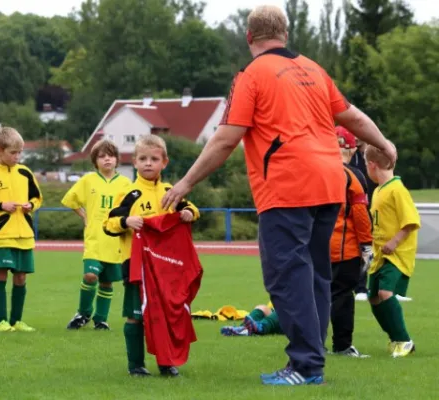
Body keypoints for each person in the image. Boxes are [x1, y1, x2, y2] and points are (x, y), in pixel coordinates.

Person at [161, 5, 396, 386]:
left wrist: (186, 182)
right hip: (329, 183)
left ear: (249, 37)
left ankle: (305, 365)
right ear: (285, 34)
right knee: (317, 273)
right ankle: (312, 362)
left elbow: (225, 138)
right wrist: (384, 142)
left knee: (287, 275)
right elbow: (351, 116)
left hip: (287, 186)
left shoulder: (251, 75)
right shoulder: (314, 69)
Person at [103, 134, 199, 377]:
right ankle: (136, 365)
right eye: (143, 158)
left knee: (165, 316)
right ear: (134, 162)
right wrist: (127, 221)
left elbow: (191, 209)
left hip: (166, 269)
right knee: (136, 316)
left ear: (164, 162)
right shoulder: (130, 193)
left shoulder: (170, 192)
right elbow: (108, 224)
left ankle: (166, 363)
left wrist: (188, 213)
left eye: (154, 159)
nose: (148, 163)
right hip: (136, 266)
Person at [0, 126, 42, 333]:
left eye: (20, 152)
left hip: (25, 235)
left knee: (21, 276)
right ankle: (1, 320)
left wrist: (32, 205)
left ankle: (17, 321)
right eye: (13, 153)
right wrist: (0, 206)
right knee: (1, 274)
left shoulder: (26, 173)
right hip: (2, 235)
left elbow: (37, 198)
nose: (17, 156)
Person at [62, 139, 131, 330]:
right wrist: (84, 216)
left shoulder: (126, 184)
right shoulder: (88, 180)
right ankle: (83, 313)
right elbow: (70, 200)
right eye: (102, 156)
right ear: (95, 161)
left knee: (107, 282)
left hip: (116, 241)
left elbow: (133, 209)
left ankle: (101, 319)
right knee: (91, 275)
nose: (107, 159)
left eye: (110, 156)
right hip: (94, 239)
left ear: (117, 160)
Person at [365, 143, 419, 357]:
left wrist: (394, 242)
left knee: (385, 293)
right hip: (380, 256)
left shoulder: (397, 189)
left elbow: (411, 221)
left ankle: (405, 340)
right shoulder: (379, 190)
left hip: (396, 254)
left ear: (372, 165)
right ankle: (395, 338)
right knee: (373, 297)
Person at [329, 126, 373, 357]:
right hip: (344, 249)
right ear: (352, 147)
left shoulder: (317, 173)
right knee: (343, 297)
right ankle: (342, 345)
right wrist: (366, 245)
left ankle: (313, 344)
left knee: (317, 297)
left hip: (317, 247)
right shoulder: (352, 176)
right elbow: (359, 213)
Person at [350, 139, 378, 301]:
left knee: (366, 247)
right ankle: (354, 285)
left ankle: (361, 286)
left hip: (368, 208)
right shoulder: (347, 155)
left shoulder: (370, 154)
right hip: (351, 206)